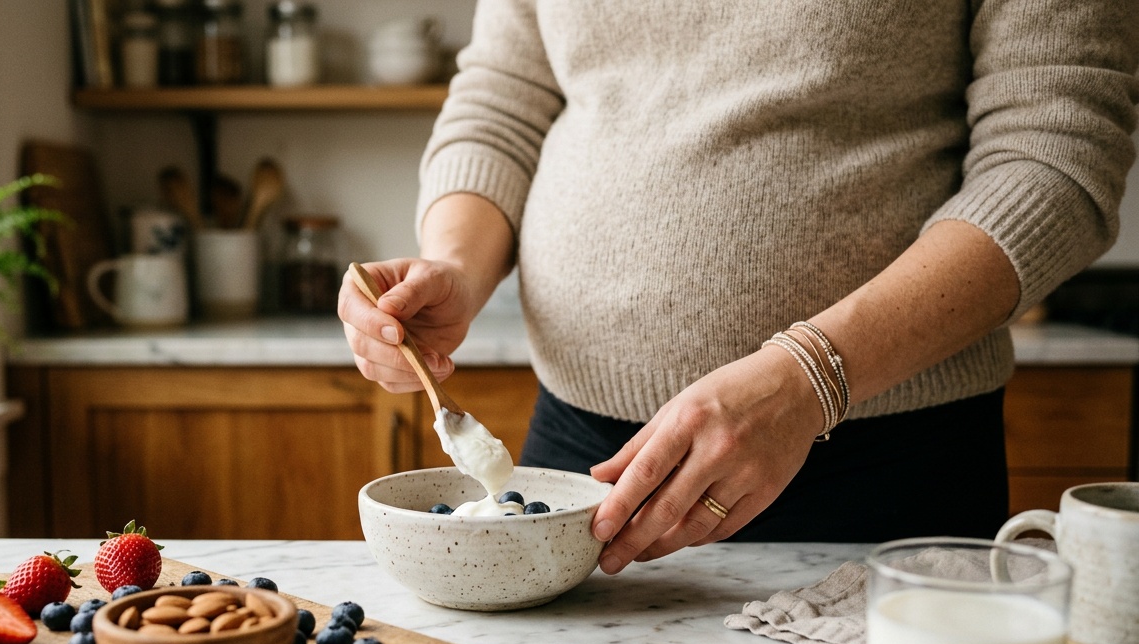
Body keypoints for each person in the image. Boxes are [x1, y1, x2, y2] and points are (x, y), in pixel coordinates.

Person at [338, 1, 1138, 576]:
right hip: (578, 457)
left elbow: (1056, 153)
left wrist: (813, 374)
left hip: (883, 468)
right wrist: (454, 263)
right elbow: (503, 101)